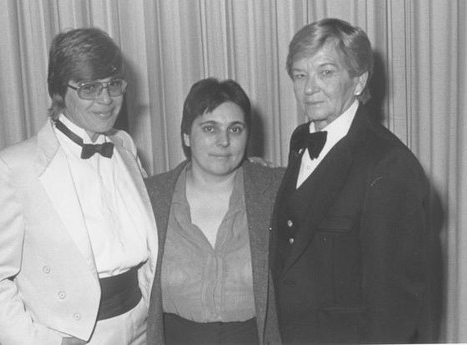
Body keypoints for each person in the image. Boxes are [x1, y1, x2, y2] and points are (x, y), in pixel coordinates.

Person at [0, 27, 158, 345]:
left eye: (113, 84)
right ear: (58, 91)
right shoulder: (13, 168)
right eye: (89, 88)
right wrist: (41, 341)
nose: (106, 99)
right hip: (74, 336)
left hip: (142, 324)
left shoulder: (124, 147)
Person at [270, 18, 434, 344]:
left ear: (358, 81)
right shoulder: (301, 140)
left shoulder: (389, 164)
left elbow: (394, 309)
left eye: (326, 72)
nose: (309, 87)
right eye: (300, 75)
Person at [145, 78, 283, 345]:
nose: (224, 141)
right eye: (210, 128)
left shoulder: (275, 191)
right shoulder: (152, 197)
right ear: (186, 134)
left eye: (235, 129)